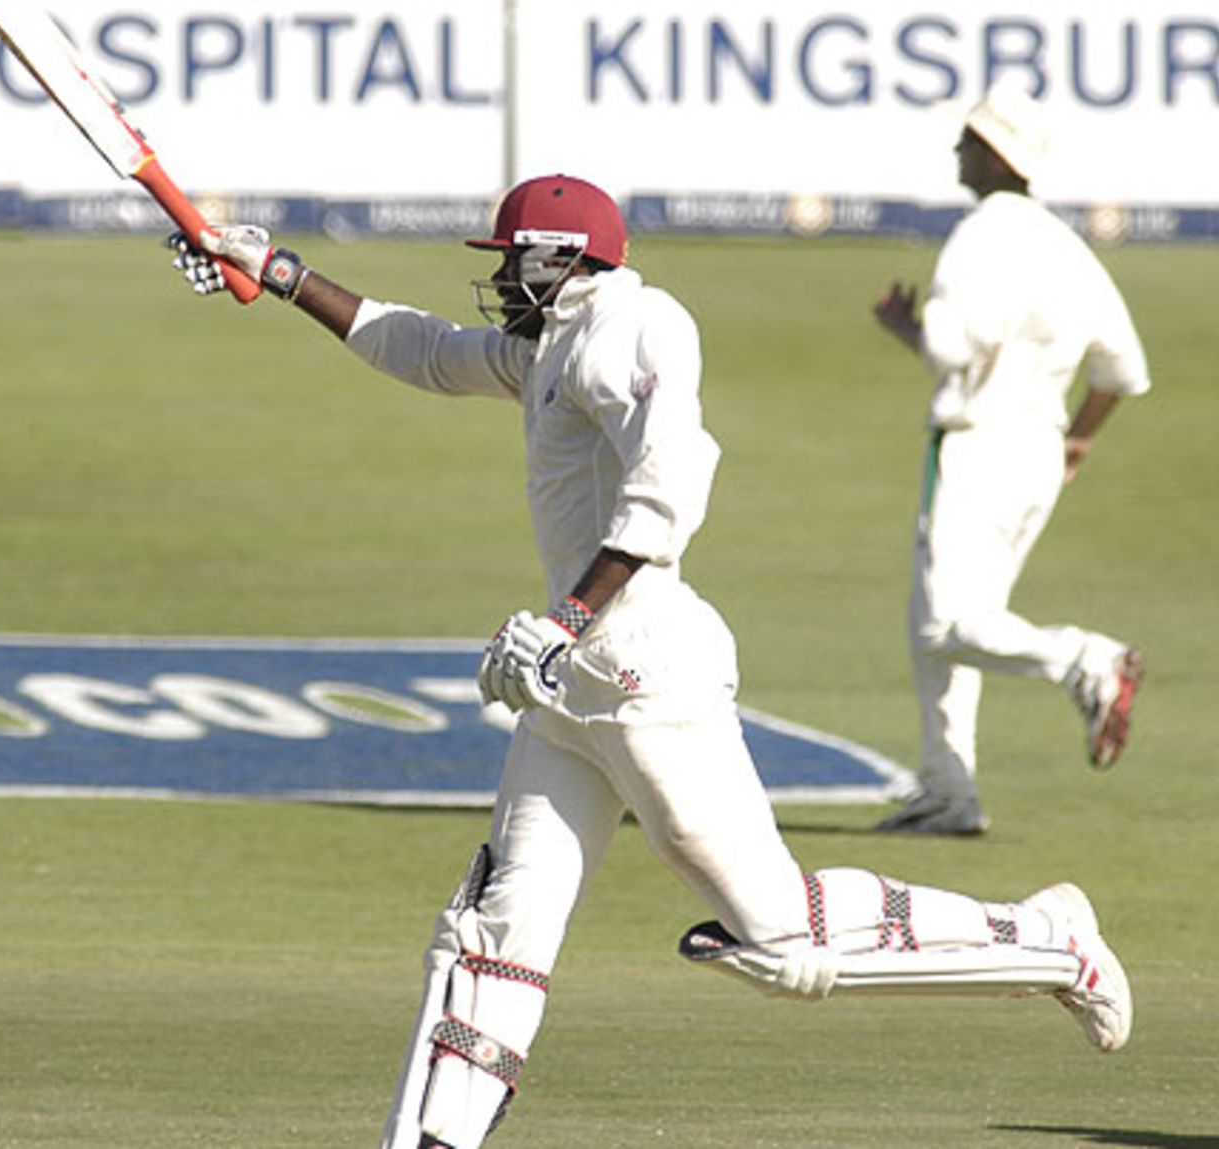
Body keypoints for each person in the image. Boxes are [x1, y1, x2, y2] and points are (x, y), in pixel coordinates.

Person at [169, 173, 1133, 1149]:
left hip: (644, 675)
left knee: (782, 938)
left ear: (558, 257)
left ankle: (1047, 939)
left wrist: (564, 618)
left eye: (512, 259)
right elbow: (422, 348)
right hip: (568, 692)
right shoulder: (547, 341)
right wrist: (279, 270)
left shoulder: (637, 325)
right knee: (490, 940)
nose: (501, 277)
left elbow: (669, 489)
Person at [872, 80, 1152, 836]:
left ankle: (1086, 660)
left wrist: (910, 328)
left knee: (944, 626)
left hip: (976, 447)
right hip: (1037, 450)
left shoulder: (977, 237)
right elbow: (1122, 371)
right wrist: (1080, 437)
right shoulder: (1065, 246)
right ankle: (949, 786)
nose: (957, 150)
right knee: (942, 618)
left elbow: (952, 346)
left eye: (969, 140)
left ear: (994, 156)